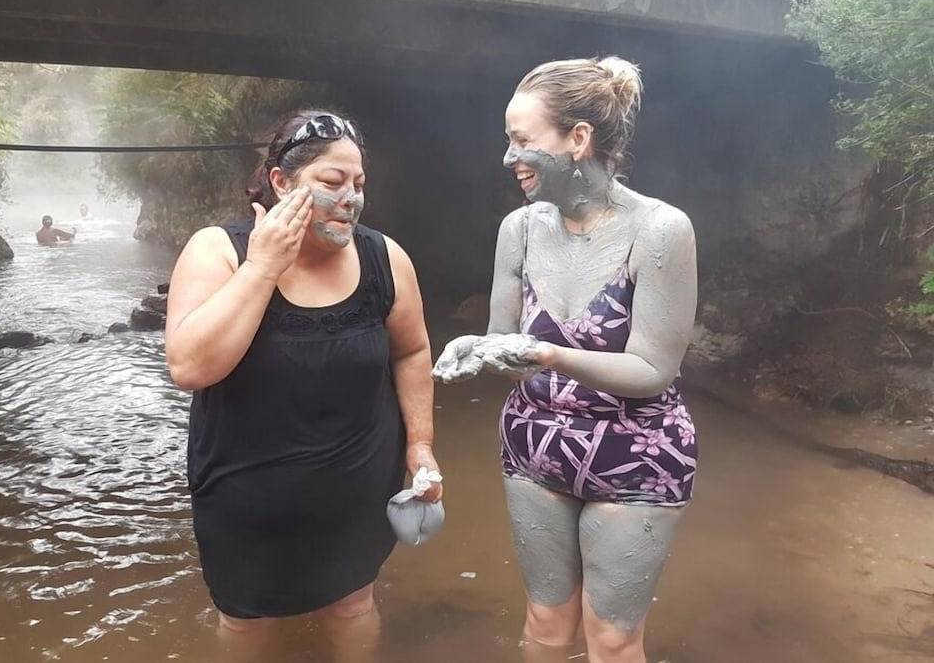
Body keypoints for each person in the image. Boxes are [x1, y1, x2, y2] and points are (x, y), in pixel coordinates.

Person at [434, 57, 698, 663]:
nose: (509, 157)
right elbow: (508, 346)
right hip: (533, 446)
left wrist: (547, 351)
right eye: (509, 140)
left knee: (612, 638)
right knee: (546, 623)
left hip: (636, 454)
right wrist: (479, 349)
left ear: (579, 139)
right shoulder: (518, 230)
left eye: (522, 140)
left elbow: (652, 371)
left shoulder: (659, 230)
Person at [165, 110, 440, 660]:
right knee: (247, 621)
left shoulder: (386, 258)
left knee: (353, 604)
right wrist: (262, 268)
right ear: (281, 183)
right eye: (332, 183)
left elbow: (411, 351)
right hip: (247, 492)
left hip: (357, 481)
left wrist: (419, 445)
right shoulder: (219, 250)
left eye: (359, 184)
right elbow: (190, 368)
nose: (351, 199)